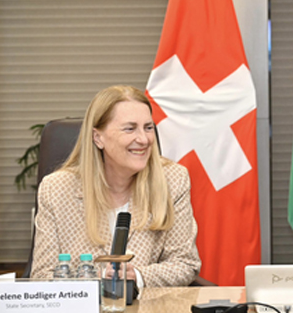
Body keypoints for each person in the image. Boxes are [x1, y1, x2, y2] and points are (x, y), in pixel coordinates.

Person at [31, 85, 201, 287]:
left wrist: (136, 276)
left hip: (149, 305)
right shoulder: (55, 189)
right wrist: (98, 279)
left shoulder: (172, 180)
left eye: (148, 128)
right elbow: (42, 275)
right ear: (98, 138)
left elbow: (185, 264)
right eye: (130, 129)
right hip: (84, 307)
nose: (144, 139)